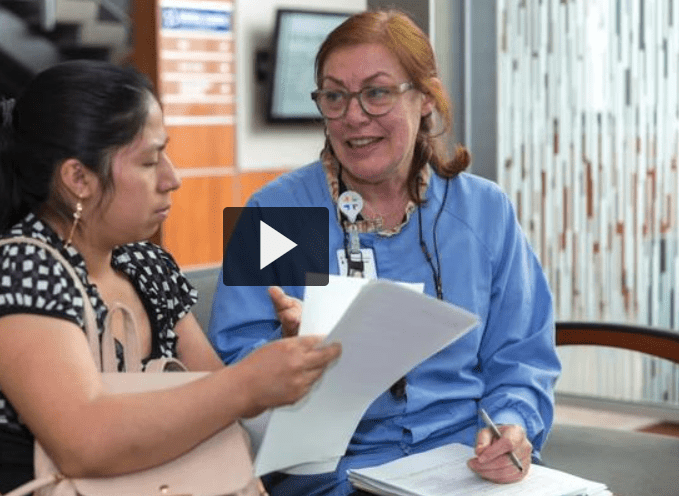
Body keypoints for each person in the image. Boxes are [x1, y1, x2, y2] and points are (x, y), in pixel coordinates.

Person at [0, 59, 340, 494]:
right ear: (78, 178)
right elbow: (85, 445)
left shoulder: (146, 265)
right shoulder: (15, 271)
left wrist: (286, 364)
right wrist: (246, 385)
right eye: (150, 162)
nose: (173, 178)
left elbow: (217, 405)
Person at [208, 9, 560, 495]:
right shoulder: (281, 212)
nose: (354, 116)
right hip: (332, 473)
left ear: (426, 99)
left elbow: (521, 359)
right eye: (335, 96)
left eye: (376, 92)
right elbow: (232, 370)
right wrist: (283, 355)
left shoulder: (481, 211)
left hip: (466, 465)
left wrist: (512, 428)